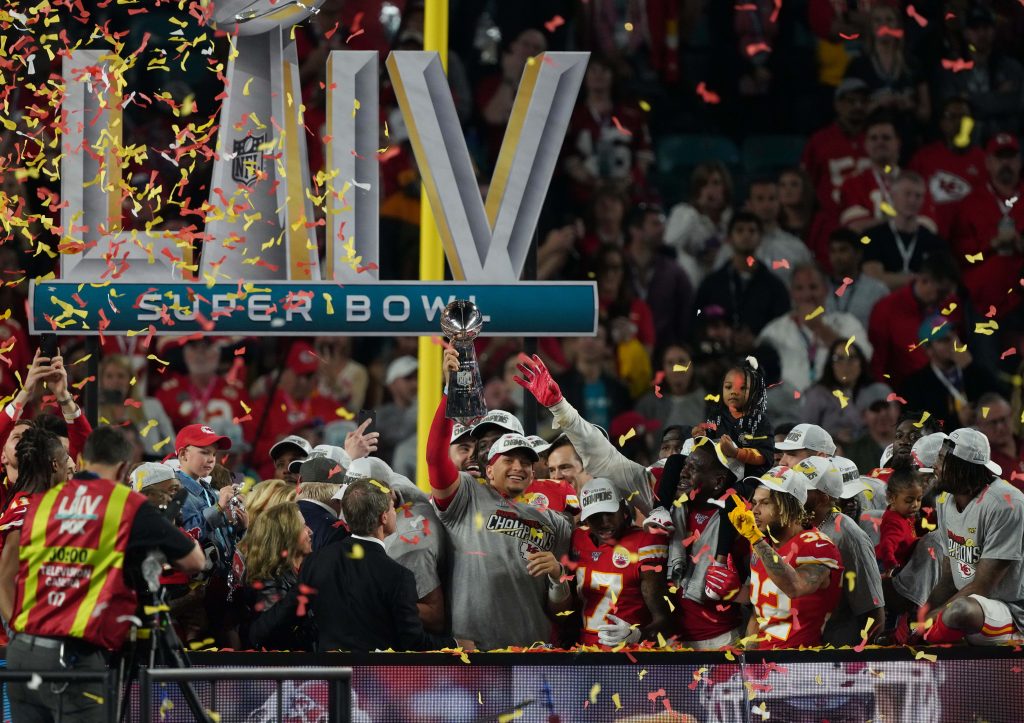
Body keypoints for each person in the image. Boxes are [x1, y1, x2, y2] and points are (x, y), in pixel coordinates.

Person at [0, 426, 204, 722]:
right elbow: (195, 561)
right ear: (123, 468)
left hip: (21, 655)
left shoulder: (41, 504)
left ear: (82, 458)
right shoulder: (124, 503)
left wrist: (15, 630)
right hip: (72, 659)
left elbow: (6, 574)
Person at [426, 348, 572, 650]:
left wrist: (559, 578)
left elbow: (562, 611)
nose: (518, 466)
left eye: (525, 461)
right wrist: (449, 394)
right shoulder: (465, 495)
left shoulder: (556, 522)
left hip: (532, 654)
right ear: (489, 467)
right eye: (509, 459)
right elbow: (434, 458)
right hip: (473, 653)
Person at [270, 480, 467, 652]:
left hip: (331, 681)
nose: (394, 512)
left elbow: (284, 616)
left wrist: (248, 639)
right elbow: (413, 642)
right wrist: (455, 644)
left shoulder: (316, 561)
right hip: (374, 685)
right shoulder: (398, 576)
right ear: (383, 517)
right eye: (391, 507)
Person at [920, 429, 1024, 645]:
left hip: (1011, 610)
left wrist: (929, 622)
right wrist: (921, 616)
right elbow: (949, 576)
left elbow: (982, 586)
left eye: (941, 459)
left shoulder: (1006, 503)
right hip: (974, 608)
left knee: (960, 610)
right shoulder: (945, 500)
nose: (935, 466)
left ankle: (927, 638)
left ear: (961, 466)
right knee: (938, 612)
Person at [729, 467, 843, 649]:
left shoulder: (817, 544)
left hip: (801, 664)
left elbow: (796, 587)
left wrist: (756, 540)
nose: (754, 510)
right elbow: (759, 615)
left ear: (789, 507)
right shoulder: (761, 543)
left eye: (765, 503)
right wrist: (748, 660)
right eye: (754, 502)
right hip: (764, 662)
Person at [648, 441, 749, 648]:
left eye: (693, 468)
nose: (683, 474)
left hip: (721, 642)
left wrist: (737, 592)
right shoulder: (667, 510)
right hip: (669, 643)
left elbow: (764, 595)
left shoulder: (743, 525)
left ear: (718, 481)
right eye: (685, 466)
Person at [567, 478, 670, 647]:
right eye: (595, 516)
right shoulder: (578, 539)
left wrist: (636, 635)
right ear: (585, 518)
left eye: (609, 513)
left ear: (623, 508)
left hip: (631, 656)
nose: (604, 522)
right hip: (585, 652)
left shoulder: (644, 543)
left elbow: (665, 621)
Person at [794, 456, 886, 644]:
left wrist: (857, 663)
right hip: (799, 645)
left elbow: (873, 611)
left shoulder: (848, 536)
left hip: (834, 653)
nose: (793, 493)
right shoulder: (796, 525)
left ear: (823, 497)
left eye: (802, 489)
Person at [757, 263, 872, 391]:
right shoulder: (774, 330)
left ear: (825, 289)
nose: (807, 295)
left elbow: (864, 358)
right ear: (791, 293)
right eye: (799, 288)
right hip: (788, 406)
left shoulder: (847, 323)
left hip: (838, 402)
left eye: (813, 287)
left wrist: (820, 328)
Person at [949, 132, 1024, 315]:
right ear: (988, 163)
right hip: (984, 299)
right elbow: (960, 254)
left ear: (1020, 161)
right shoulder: (970, 203)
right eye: (999, 158)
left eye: (1011, 158)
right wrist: (991, 244)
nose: (1006, 164)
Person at [868, 252, 960, 388]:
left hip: (947, 388)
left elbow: (958, 353)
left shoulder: (948, 305)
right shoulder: (886, 310)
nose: (945, 299)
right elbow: (877, 365)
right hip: (904, 394)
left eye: (948, 294)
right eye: (941, 293)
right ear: (923, 280)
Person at [694, 211, 791, 339]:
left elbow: (784, 328)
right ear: (728, 238)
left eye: (752, 231)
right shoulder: (711, 284)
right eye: (740, 230)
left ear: (761, 238)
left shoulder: (775, 287)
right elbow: (697, 321)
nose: (746, 235)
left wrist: (757, 341)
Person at [838, 111, 933, 232]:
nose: (880, 142)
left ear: (898, 143)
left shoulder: (916, 183)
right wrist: (900, 220)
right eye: (874, 138)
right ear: (865, 144)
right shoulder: (852, 184)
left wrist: (881, 223)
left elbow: (928, 226)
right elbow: (854, 229)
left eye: (886, 138)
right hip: (868, 248)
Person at [908, 96, 986, 238]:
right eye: (952, 117)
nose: (959, 122)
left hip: (972, 239)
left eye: (964, 117)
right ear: (942, 123)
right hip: (930, 236)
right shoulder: (924, 157)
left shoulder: (984, 160)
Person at [241, 502, 315, 650]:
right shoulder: (269, 580)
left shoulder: (298, 570)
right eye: (302, 527)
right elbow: (265, 634)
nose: (310, 531)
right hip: (282, 668)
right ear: (286, 536)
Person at [713, 177, 813, 286]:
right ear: (749, 204)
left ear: (779, 203)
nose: (766, 205)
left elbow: (813, 285)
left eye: (772, 199)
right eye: (760, 199)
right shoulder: (731, 250)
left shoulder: (796, 248)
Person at [623, 203, 695, 346]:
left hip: (663, 354)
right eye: (655, 224)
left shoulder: (674, 272)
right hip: (623, 352)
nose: (662, 229)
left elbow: (686, 315)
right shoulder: (616, 265)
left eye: (663, 224)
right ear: (635, 230)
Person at [861, 171, 946, 290]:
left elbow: (938, 282)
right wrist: (919, 280)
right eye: (907, 194)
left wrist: (893, 279)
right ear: (892, 196)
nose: (912, 201)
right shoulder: (872, 237)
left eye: (918, 196)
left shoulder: (934, 242)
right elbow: (874, 280)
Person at [901, 319, 989, 432]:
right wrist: (957, 420)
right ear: (929, 350)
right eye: (945, 340)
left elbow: (997, 399)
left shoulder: (974, 369)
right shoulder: (915, 386)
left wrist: (970, 369)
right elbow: (921, 429)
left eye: (954, 336)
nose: (954, 343)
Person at [800, 339, 891, 446]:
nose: (845, 365)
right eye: (839, 359)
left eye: (851, 358)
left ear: (861, 362)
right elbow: (804, 435)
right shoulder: (817, 394)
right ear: (831, 364)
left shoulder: (877, 391)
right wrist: (832, 438)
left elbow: (891, 427)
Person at [801, 78, 869, 213]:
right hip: (832, 221)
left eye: (863, 101)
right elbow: (807, 183)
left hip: (870, 222)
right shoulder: (820, 141)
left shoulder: (878, 139)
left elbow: (889, 172)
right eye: (851, 101)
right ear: (837, 104)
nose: (858, 106)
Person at [699, 357, 773, 478]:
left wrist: (736, 453)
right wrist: (699, 437)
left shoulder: (760, 421)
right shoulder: (715, 416)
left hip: (747, 479)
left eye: (742, 388)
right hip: (716, 473)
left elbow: (764, 456)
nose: (733, 392)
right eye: (728, 387)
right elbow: (707, 446)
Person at [156, 337, 247, 432]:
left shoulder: (238, 394)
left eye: (206, 347)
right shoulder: (168, 393)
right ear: (185, 354)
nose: (199, 355)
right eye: (193, 347)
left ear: (218, 353)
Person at [97, 354, 176, 459]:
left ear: (131, 380)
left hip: (151, 466)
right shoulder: (94, 412)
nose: (115, 381)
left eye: (121, 376)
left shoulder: (152, 407)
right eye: (109, 376)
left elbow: (171, 445)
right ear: (101, 381)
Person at [664, 162, 734, 279]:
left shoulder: (733, 220)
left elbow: (749, 260)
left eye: (716, 183)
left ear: (725, 187)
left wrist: (722, 255)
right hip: (690, 279)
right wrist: (692, 213)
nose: (710, 190)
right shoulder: (684, 213)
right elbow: (669, 245)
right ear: (697, 190)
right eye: (704, 185)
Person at [824, 228, 890, 328]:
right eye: (833, 251)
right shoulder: (820, 288)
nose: (837, 257)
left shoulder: (876, 290)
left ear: (858, 254)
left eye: (843, 250)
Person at [634, 343, 706, 431]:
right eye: (670, 363)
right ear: (663, 369)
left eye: (682, 361)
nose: (676, 368)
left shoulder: (709, 403)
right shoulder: (647, 404)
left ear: (692, 366)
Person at [875, 467, 924, 576]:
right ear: (892, 498)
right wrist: (891, 566)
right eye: (909, 500)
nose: (915, 504)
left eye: (919, 499)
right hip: (885, 565)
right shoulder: (894, 521)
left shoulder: (902, 514)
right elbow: (887, 544)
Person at [376, 355, 419, 463]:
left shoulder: (432, 409)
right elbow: (398, 437)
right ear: (392, 384)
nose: (415, 384)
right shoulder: (380, 414)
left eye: (418, 378)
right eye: (408, 378)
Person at [974, 393, 1024, 484]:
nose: (1000, 427)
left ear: (1012, 416)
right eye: (993, 422)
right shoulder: (983, 467)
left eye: (1003, 419)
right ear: (980, 425)